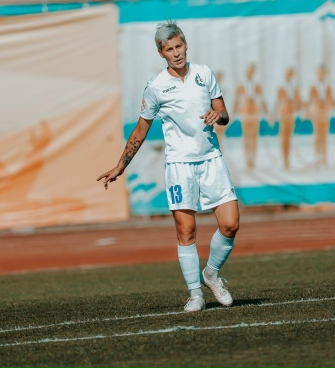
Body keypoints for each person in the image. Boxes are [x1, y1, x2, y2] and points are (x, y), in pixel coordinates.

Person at [97, 21, 239, 312]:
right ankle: (195, 294)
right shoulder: (156, 87)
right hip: (179, 165)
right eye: (169, 49)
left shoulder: (204, 73)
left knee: (230, 224)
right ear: (161, 53)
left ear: (186, 45)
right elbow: (141, 129)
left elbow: (223, 113)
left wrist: (219, 115)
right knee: (186, 230)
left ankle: (211, 274)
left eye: (179, 46)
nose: (176, 53)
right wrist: (120, 165)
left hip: (211, 159)